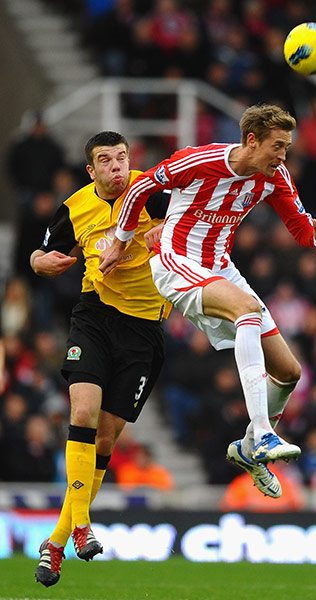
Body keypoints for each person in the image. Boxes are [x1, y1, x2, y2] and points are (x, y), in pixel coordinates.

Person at [99, 103, 316, 501]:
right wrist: (121, 241)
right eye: (277, 146)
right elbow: (142, 188)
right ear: (252, 140)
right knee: (246, 309)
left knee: (289, 370)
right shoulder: (199, 160)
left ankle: (248, 450)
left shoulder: (274, 176)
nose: (283, 156)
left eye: (287, 147)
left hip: (221, 269)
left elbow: (298, 224)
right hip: (176, 261)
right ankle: (263, 433)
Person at [30, 131, 171, 587]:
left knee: (106, 444)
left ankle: (55, 543)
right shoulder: (75, 207)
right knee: (83, 412)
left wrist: (164, 238)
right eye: (105, 160)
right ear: (91, 170)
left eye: (122, 158)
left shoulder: (155, 192)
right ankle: (84, 524)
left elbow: (190, 232)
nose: (116, 166)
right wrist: (39, 262)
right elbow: (38, 251)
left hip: (144, 330)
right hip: (94, 316)